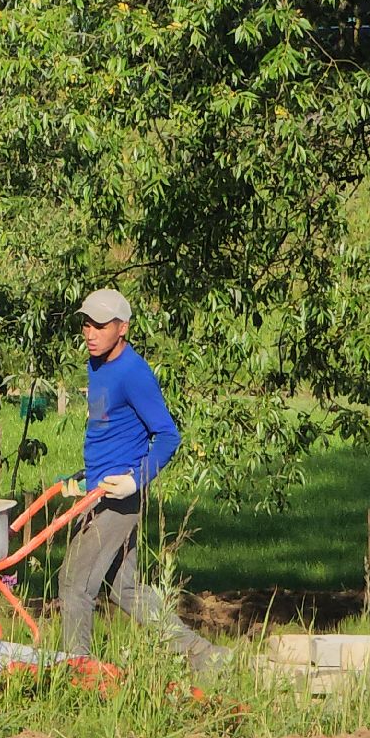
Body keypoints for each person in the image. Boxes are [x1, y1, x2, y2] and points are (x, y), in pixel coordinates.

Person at [58, 287, 229, 680]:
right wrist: (85, 475)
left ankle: (78, 673)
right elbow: (109, 429)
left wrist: (135, 481)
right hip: (99, 490)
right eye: (86, 323)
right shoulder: (97, 365)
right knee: (124, 591)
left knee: (73, 586)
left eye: (100, 325)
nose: (90, 332)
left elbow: (167, 435)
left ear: (123, 327)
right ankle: (205, 656)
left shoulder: (134, 373)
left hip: (117, 502)